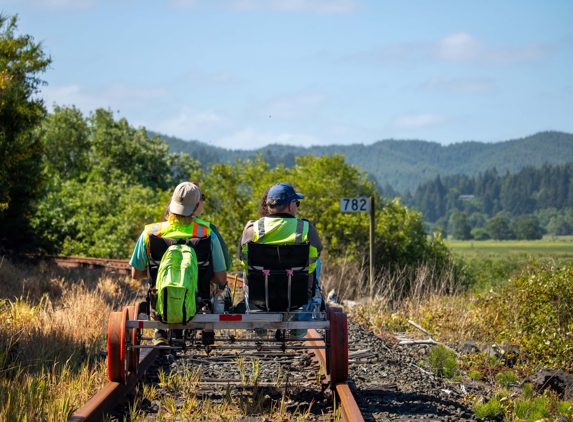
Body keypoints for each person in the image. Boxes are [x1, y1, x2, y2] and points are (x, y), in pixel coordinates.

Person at [130, 182, 228, 345]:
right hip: (198, 301)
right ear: (197, 206)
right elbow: (221, 279)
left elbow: (135, 274)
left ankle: (159, 326)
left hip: (162, 297)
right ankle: (206, 322)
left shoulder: (151, 232)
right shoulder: (207, 234)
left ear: (172, 202)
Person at [239, 182, 323, 338]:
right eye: (296, 203)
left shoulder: (252, 229)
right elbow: (315, 258)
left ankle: (257, 317)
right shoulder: (306, 228)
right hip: (297, 295)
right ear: (291, 206)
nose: (297, 207)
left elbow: (243, 260)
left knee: (248, 266)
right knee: (317, 263)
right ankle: (301, 318)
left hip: (260, 295)